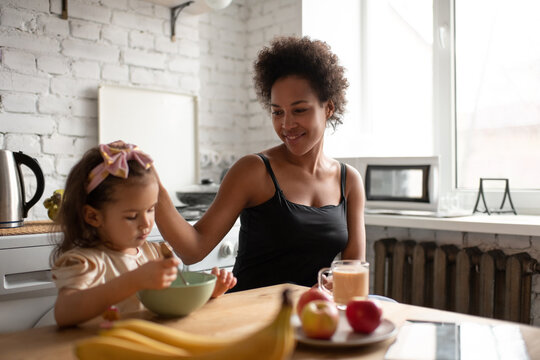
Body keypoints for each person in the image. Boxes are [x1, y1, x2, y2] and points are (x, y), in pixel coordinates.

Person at [156, 36, 366, 292]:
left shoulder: (349, 181)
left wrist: (338, 282)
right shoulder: (253, 170)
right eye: (277, 112)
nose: (287, 125)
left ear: (329, 108)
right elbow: (193, 250)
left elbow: (354, 267)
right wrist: (154, 190)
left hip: (309, 318)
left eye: (299, 110)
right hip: (248, 315)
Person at [51, 142, 236, 327]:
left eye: (151, 209)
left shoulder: (154, 253)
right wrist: (134, 280)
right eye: (132, 216)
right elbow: (64, 313)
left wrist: (208, 293)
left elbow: (170, 302)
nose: (147, 223)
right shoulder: (86, 262)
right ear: (93, 216)